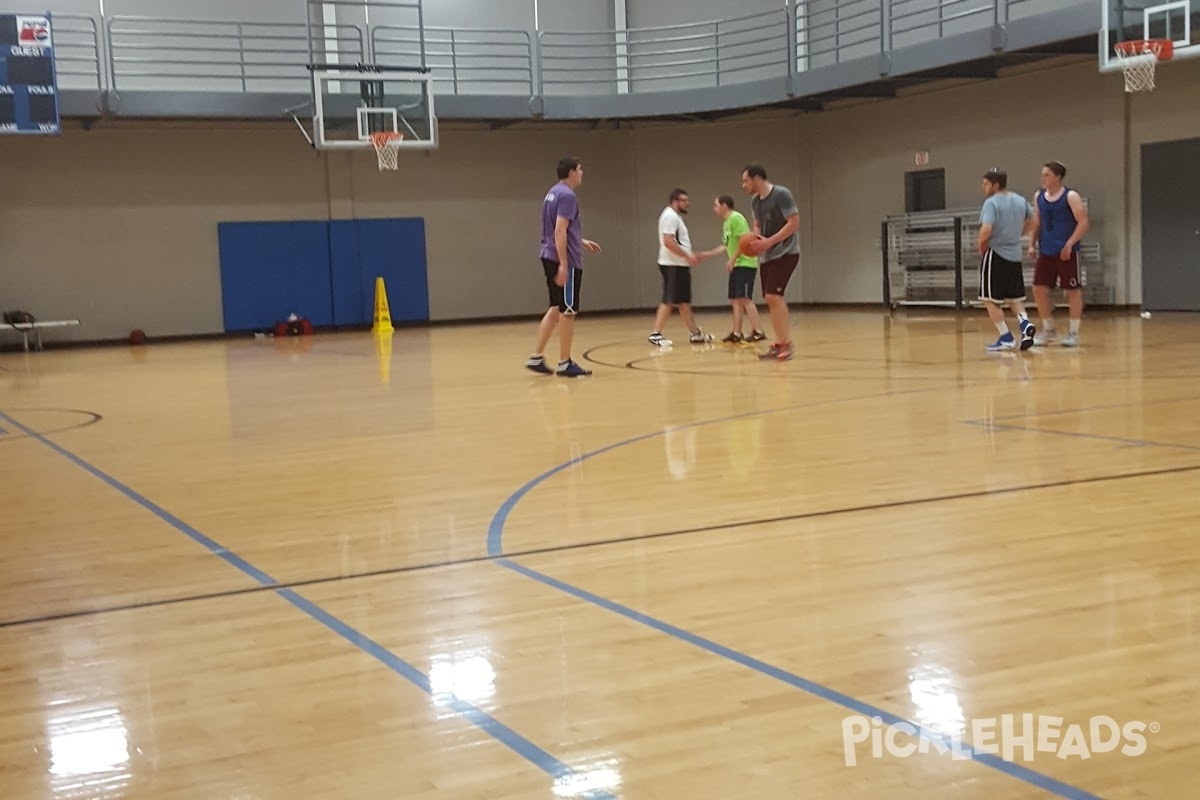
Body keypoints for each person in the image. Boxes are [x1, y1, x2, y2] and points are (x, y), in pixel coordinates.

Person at [527, 156, 602, 377]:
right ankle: (564, 362)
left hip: (548, 254)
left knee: (555, 308)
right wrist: (564, 264)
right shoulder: (568, 196)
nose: (582, 172)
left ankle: (536, 357)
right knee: (568, 311)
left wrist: (580, 240)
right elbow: (559, 230)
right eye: (579, 169)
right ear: (571, 172)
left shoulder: (552, 193)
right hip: (563, 259)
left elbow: (559, 229)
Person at [741, 164, 800, 360]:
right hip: (768, 254)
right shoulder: (755, 202)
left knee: (774, 296)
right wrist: (755, 240)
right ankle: (779, 342)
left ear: (757, 178)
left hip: (786, 251)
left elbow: (794, 222)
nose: (744, 185)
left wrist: (770, 241)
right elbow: (757, 224)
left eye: (745, 180)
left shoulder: (781, 194)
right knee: (769, 297)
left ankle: (786, 344)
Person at [1029, 160, 1090, 347]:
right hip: (1046, 250)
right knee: (1038, 288)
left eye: (1046, 174)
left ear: (1058, 177)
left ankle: (1073, 332)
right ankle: (1048, 330)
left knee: (1072, 290)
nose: (1043, 178)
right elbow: (1037, 222)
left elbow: (1083, 222)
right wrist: (1031, 244)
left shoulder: (1071, 196)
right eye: (1042, 174)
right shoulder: (1039, 196)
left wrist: (1070, 244)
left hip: (1067, 251)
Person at [978, 168, 1038, 352]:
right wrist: (1017, 234)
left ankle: (1005, 337)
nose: (984, 188)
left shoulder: (991, 203)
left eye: (986, 184)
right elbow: (1034, 221)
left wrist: (981, 245)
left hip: (995, 253)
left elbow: (986, 230)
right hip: (1014, 254)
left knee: (989, 299)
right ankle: (1025, 324)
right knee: (1014, 298)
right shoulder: (1019, 200)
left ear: (996, 185)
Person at [648, 189, 714, 347]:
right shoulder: (670, 216)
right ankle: (656, 333)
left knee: (683, 301)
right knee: (669, 299)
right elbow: (668, 241)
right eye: (684, 200)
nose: (687, 203)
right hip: (673, 264)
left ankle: (695, 334)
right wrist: (687, 255)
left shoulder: (674, 217)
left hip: (679, 264)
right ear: (675, 201)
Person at [699, 194, 766, 344]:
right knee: (735, 299)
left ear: (724, 206)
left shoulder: (736, 218)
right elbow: (726, 245)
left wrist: (733, 259)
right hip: (737, 265)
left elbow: (744, 241)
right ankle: (737, 332)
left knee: (744, 298)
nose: (714, 209)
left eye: (716, 205)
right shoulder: (726, 223)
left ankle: (758, 331)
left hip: (746, 264)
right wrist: (708, 254)